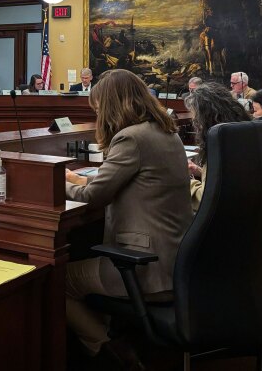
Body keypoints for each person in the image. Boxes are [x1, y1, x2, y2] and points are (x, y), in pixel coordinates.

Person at [64, 69, 191, 361]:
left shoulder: (130, 139)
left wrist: (57, 184)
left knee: (59, 281)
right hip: (176, 263)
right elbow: (122, 181)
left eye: (97, 109)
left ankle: (110, 352)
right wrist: (80, 180)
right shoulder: (165, 131)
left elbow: (93, 196)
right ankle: (113, 337)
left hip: (145, 269)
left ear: (109, 105)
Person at [184, 83, 252, 212]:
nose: (194, 123)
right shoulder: (242, 133)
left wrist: (185, 181)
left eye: (195, 118)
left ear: (205, 118)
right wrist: (200, 171)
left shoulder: (219, 143)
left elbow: (206, 199)